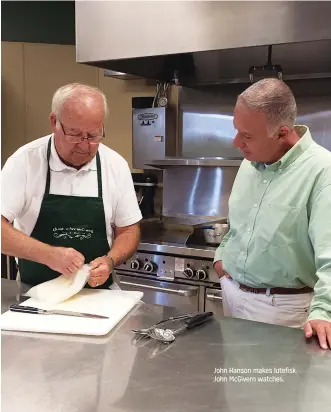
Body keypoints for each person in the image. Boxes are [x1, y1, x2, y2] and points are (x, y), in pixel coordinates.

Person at [213, 78, 331, 350]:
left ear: (282, 133)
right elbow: (236, 226)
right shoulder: (249, 162)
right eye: (237, 131)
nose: (236, 142)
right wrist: (222, 259)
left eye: (247, 135)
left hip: (284, 309)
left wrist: (324, 311)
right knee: (238, 387)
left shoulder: (322, 172)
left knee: (274, 389)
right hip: (233, 294)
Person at [1, 83, 142, 289]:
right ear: (54, 122)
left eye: (94, 135)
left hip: (99, 296)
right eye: (75, 134)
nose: (85, 145)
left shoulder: (115, 164)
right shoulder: (25, 162)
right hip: (35, 294)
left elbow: (129, 230)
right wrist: (49, 255)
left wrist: (110, 261)